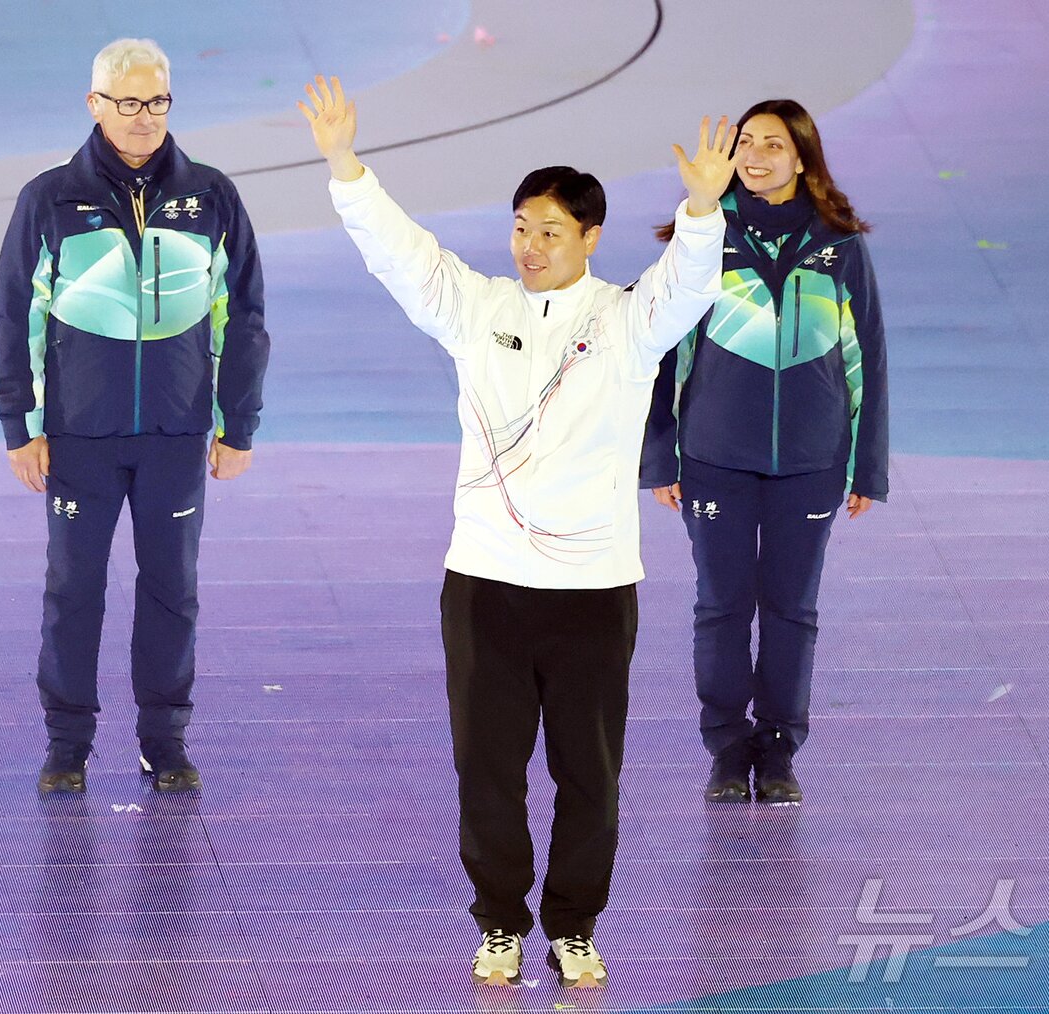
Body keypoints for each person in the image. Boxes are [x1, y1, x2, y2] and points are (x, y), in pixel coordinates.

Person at [298, 75, 735, 989]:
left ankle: (572, 926)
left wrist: (702, 210)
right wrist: (346, 166)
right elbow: (403, 256)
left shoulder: (627, 324)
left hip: (592, 590)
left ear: (589, 239)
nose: (531, 247)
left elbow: (690, 284)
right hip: (486, 584)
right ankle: (500, 922)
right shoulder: (479, 309)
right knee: (487, 772)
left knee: (590, 776)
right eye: (521, 229)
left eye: (551, 233)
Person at [0, 38, 270, 795]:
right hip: (78, 436)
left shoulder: (211, 196)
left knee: (172, 588)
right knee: (73, 587)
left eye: (155, 102)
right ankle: (67, 745)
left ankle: (164, 741)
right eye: (126, 102)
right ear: (95, 105)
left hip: (177, 435)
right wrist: (21, 425)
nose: (143, 117)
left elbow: (243, 313)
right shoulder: (48, 199)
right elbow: (15, 313)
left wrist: (237, 424)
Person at [641, 99, 888, 806]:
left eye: (772, 144)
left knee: (791, 608)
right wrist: (663, 456)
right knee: (721, 605)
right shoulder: (702, 237)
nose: (755, 154)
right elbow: (660, 349)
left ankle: (779, 746)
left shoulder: (840, 246)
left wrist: (865, 465)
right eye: (746, 142)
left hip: (811, 463)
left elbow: (867, 356)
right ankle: (727, 746)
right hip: (715, 458)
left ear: (803, 159)